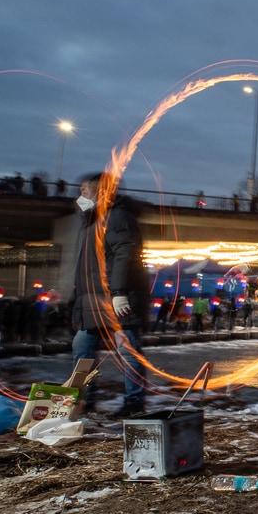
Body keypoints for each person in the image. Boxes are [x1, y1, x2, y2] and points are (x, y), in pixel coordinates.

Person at [69, 172, 149, 416]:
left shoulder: (117, 217)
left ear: (101, 191)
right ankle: (84, 401)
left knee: (127, 351)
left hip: (115, 298)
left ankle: (134, 403)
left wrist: (119, 292)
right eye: (80, 190)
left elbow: (125, 255)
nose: (81, 194)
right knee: (82, 350)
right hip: (92, 298)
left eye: (86, 190)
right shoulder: (92, 220)